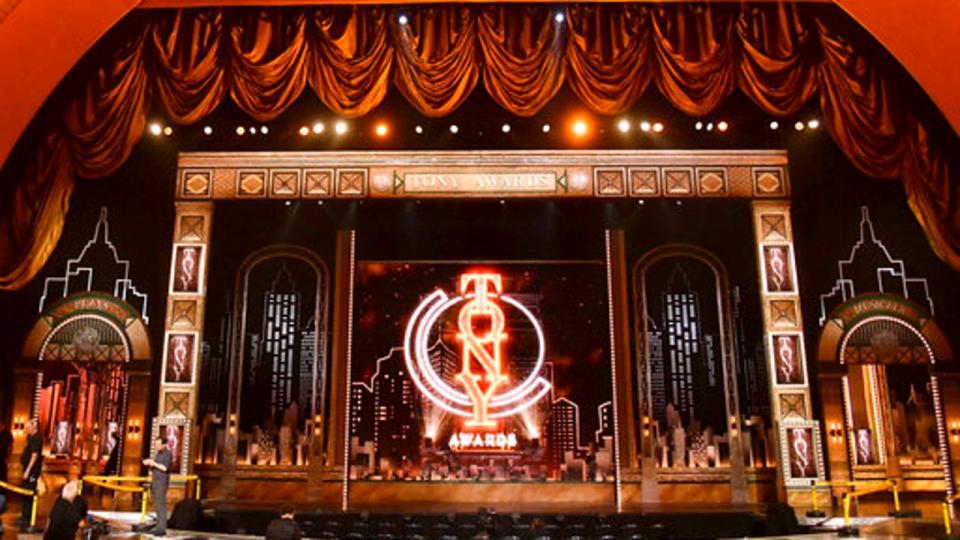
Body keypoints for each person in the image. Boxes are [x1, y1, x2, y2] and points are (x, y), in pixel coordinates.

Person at [142, 436, 172, 537]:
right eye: (156, 444)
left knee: (160, 505)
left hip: (161, 482)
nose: (157, 446)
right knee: (156, 505)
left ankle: (161, 528)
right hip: (155, 481)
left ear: (164, 444)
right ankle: (158, 526)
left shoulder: (168, 454)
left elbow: (164, 468)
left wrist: (153, 463)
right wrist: (149, 464)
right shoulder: (158, 453)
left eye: (158, 444)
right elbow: (157, 467)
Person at [20, 419, 42, 530]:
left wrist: (28, 471)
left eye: (28, 427)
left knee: (29, 494)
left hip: (32, 473)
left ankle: (27, 519)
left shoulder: (37, 439)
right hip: (27, 471)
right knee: (24, 493)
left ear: (34, 427)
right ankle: (24, 516)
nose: (26, 429)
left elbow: (34, 455)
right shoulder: (31, 438)